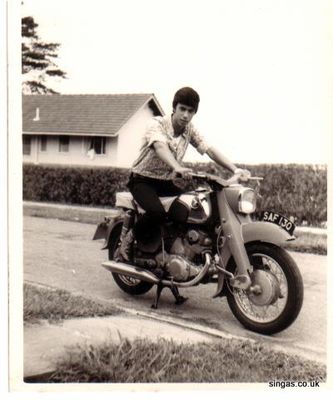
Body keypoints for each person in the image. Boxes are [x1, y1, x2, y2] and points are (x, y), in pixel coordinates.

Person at [119, 87, 250, 261]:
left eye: (190, 111)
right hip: (142, 181)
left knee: (189, 211)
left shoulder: (189, 130)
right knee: (157, 212)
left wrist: (235, 169)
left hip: (165, 183)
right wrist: (176, 167)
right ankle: (127, 242)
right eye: (182, 109)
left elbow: (209, 150)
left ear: (194, 113)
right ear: (174, 107)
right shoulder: (156, 124)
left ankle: (174, 252)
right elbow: (160, 147)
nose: (185, 115)